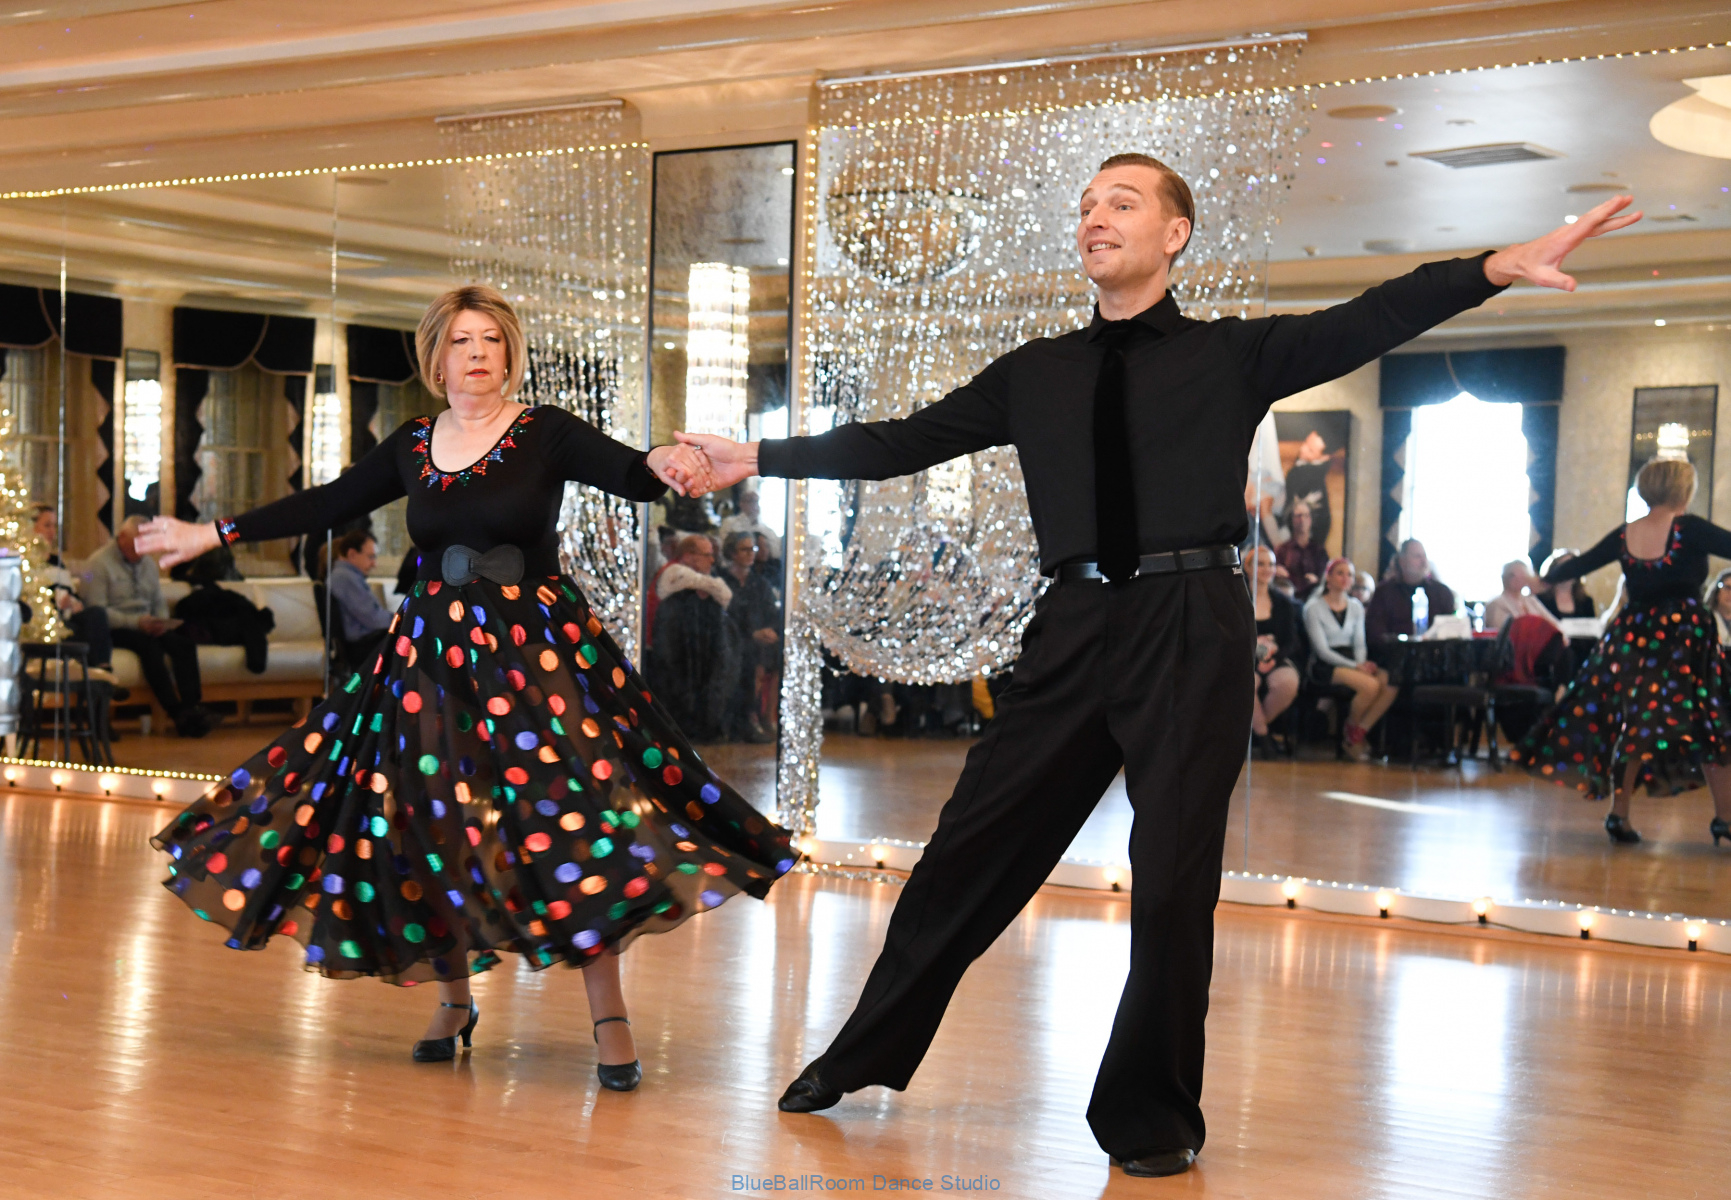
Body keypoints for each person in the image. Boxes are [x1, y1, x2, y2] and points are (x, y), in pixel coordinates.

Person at [674, 156, 1632, 1177]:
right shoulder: (1035, 373)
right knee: (967, 850)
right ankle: (863, 1053)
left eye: (1121, 203)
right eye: (1087, 206)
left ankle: (1149, 1112)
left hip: (1190, 624)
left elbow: (1369, 317)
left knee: (1173, 881)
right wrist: (758, 457)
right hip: (1073, 624)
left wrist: (1491, 268)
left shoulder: (1231, 356)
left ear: (1175, 234)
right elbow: (899, 441)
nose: (1096, 218)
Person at [137, 285, 796, 1089]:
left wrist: (665, 459)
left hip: (533, 654)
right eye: (461, 340)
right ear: (437, 358)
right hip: (428, 658)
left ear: (508, 353)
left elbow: (629, 473)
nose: (477, 351)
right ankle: (453, 999)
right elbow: (331, 501)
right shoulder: (413, 442)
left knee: (573, 816)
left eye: (490, 338)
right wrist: (213, 530)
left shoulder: (544, 430)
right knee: (429, 823)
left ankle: (609, 1014)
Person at [1514, 457, 1731, 847]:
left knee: (1636, 724)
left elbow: (1578, 564)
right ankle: (1726, 818)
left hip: (1635, 635)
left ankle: (1620, 812)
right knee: (1709, 722)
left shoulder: (1625, 533)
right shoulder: (1690, 528)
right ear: (1683, 489)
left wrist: (1541, 579)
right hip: (1684, 638)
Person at [86, 514, 214, 737]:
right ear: (122, 537)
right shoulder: (98, 563)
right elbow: (95, 611)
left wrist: (161, 622)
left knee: (183, 645)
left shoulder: (148, 565)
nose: (141, 551)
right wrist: (136, 622)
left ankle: (192, 708)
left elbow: (158, 601)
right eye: (136, 544)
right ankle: (175, 712)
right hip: (117, 628)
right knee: (150, 648)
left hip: (148, 624)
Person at [647, 535, 739, 742]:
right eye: (707, 555)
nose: (712, 560)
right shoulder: (674, 574)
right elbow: (723, 592)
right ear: (688, 556)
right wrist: (711, 586)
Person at [1303, 556, 1396, 760]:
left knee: (1389, 682)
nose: (1346, 578)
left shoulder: (1355, 607)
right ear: (1328, 577)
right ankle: (1351, 735)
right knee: (1370, 686)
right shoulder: (1313, 608)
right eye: (1340, 573)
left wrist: (1361, 663)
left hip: (1352, 659)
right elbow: (1322, 650)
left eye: (1350, 574)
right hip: (1326, 664)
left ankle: (1357, 731)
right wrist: (1355, 666)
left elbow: (1359, 643)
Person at [30, 504, 114, 669]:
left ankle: (103, 670)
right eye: (47, 525)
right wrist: (56, 604)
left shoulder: (56, 562)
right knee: (79, 632)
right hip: (46, 621)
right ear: (31, 527)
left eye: (54, 526)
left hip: (68, 616)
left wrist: (75, 603)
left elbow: (69, 591)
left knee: (96, 614)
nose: (52, 532)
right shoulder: (27, 563)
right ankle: (94, 676)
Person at [721, 531, 783, 743]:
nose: (751, 554)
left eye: (753, 549)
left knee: (774, 655)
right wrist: (752, 633)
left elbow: (771, 613)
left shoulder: (760, 583)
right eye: (745, 549)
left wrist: (770, 630)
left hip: (758, 639)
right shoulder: (722, 580)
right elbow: (726, 618)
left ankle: (765, 716)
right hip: (731, 639)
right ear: (732, 553)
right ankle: (748, 717)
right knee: (753, 658)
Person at [1247, 543, 1301, 757]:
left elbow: (1291, 641)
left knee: (1288, 682)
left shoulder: (1282, 602)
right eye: (1260, 564)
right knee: (1247, 683)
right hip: (1244, 660)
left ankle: (1257, 729)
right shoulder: (1238, 598)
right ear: (1248, 567)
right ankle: (1264, 736)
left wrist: (1273, 658)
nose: (1267, 569)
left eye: (1270, 564)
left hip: (1274, 658)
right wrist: (1255, 655)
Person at [1364, 538, 1456, 642]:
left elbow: (1452, 631)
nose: (1424, 562)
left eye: (1424, 556)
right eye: (1417, 556)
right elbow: (1375, 633)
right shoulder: (1384, 593)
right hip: (1396, 650)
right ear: (1402, 561)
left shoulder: (1441, 592)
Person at [326, 529, 393, 654]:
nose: (374, 564)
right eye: (370, 557)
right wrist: (400, 619)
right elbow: (373, 619)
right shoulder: (346, 578)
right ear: (352, 554)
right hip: (364, 645)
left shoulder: (343, 576)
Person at [1282, 428, 1334, 549]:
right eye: (1306, 442)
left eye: (1310, 450)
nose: (1303, 449)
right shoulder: (1302, 469)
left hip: (1309, 537)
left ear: (1323, 458)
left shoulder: (1304, 474)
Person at [1483, 559, 1560, 632]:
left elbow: (1553, 623)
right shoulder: (1496, 603)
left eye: (1522, 575)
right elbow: (1503, 631)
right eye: (1513, 575)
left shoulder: (1531, 600)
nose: (1519, 579)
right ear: (1504, 577)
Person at [1274, 498, 1326, 600]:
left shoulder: (1319, 551)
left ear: (1311, 519)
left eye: (1306, 515)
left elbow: (1324, 579)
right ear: (1292, 519)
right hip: (1288, 599)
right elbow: (1278, 576)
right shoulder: (1282, 550)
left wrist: (1317, 581)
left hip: (1313, 599)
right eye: (1298, 516)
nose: (1302, 520)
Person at [718, 487, 781, 562]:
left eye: (757, 501)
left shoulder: (767, 530)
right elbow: (723, 548)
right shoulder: (729, 523)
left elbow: (776, 553)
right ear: (741, 503)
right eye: (751, 501)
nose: (755, 505)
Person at [1535, 549, 1597, 620]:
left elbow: (1592, 625)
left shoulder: (1586, 602)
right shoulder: (1540, 600)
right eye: (1565, 567)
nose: (1569, 571)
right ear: (1553, 570)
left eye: (1574, 567)